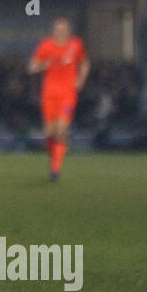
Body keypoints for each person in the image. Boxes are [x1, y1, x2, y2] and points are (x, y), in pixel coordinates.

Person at [27, 17, 88, 181]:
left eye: (64, 29)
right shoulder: (46, 46)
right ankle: (52, 151)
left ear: (68, 31)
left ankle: (55, 170)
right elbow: (31, 67)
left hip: (67, 95)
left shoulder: (76, 45)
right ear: (53, 31)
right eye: (58, 29)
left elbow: (84, 63)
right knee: (50, 133)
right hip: (49, 95)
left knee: (61, 130)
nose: (61, 32)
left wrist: (80, 80)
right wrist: (44, 64)